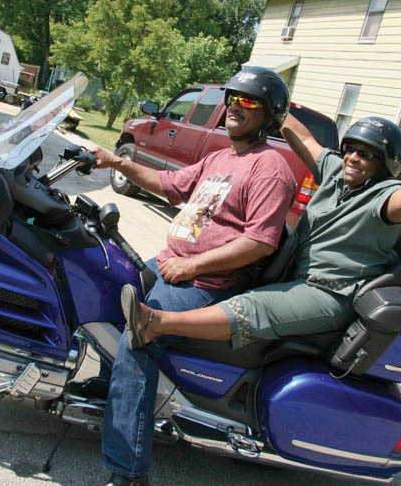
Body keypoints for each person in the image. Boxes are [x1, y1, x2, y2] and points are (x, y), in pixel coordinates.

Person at [121, 114, 401, 356]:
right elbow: (303, 137)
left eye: (368, 155)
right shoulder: (335, 172)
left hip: (328, 292)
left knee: (253, 307)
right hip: (294, 277)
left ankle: (154, 323)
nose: (355, 158)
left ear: (386, 166)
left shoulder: (385, 196)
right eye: (353, 149)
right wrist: (262, 99)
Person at [90, 67, 298, 486]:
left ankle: (128, 472)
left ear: (270, 115)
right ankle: (109, 399)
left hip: (206, 284)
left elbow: (259, 242)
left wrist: (191, 266)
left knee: (137, 339)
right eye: (233, 99)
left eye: (250, 102)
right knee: (99, 286)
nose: (237, 107)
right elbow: (168, 184)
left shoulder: (271, 168)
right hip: (170, 264)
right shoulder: (222, 157)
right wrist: (117, 161)